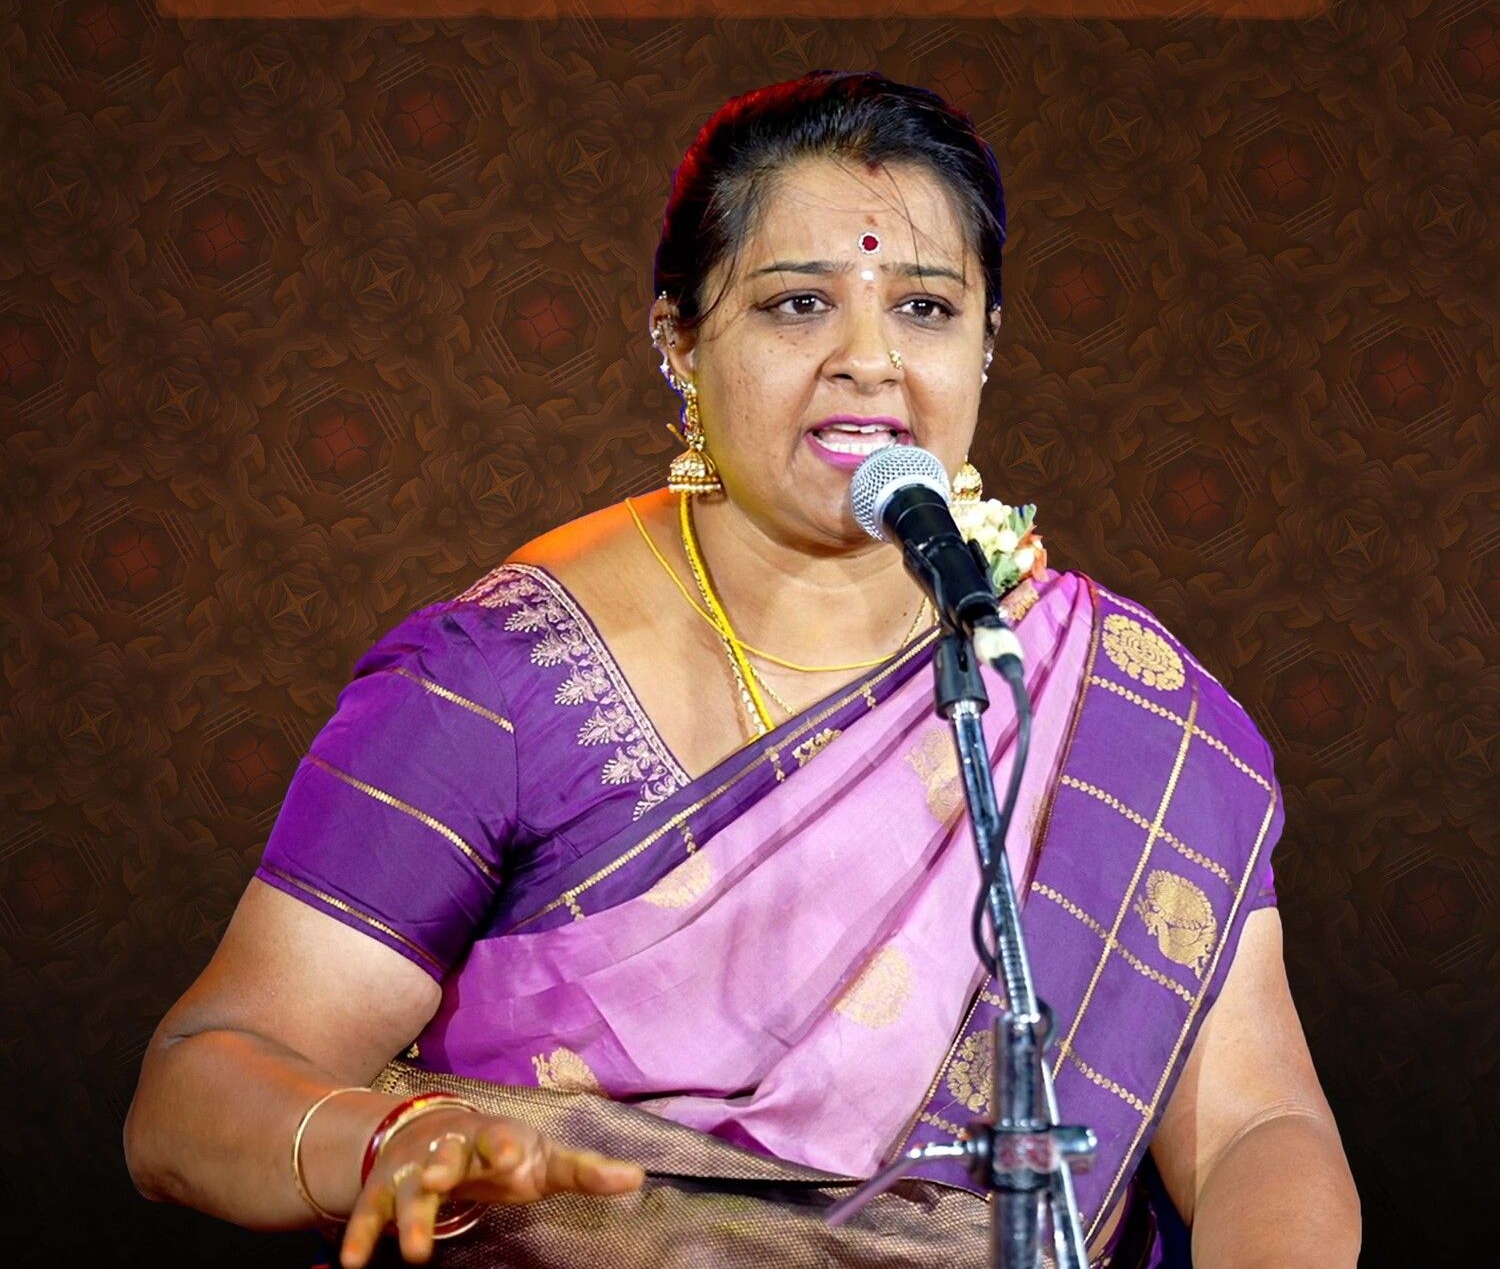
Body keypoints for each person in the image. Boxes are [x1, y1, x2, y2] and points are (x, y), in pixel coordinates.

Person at [124, 71, 1360, 1268]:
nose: (868, 359)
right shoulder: (496, 680)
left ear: (989, 340)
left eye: (926, 308)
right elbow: (194, 1088)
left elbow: (1257, 1127)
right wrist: (382, 1140)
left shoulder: (1106, 704)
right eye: (797, 304)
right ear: (679, 337)